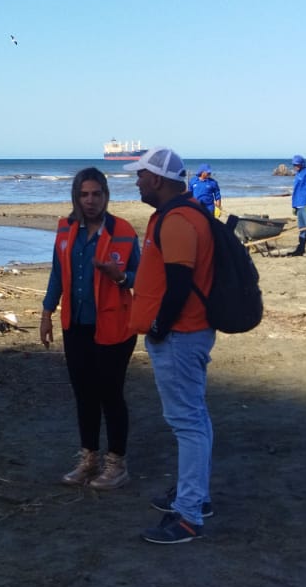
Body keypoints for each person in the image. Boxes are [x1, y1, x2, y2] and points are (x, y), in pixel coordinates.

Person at [130, 147, 216, 544]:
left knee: (187, 422)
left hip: (181, 335)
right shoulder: (175, 215)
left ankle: (188, 516)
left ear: (160, 180)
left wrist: (161, 327)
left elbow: (180, 284)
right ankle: (194, 497)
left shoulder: (178, 220)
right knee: (193, 418)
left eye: (142, 175)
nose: (137, 181)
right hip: (184, 333)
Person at [39, 167, 141, 490]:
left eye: (97, 194)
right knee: (84, 394)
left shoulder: (123, 232)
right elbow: (57, 274)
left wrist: (120, 276)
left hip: (114, 327)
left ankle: (116, 464)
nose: (91, 200)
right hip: (76, 324)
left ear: (106, 196)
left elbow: (144, 278)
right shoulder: (66, 230)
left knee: (110, 394)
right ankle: (88, 460)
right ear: (76, 196)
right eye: (84, 194)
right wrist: (46, 312)